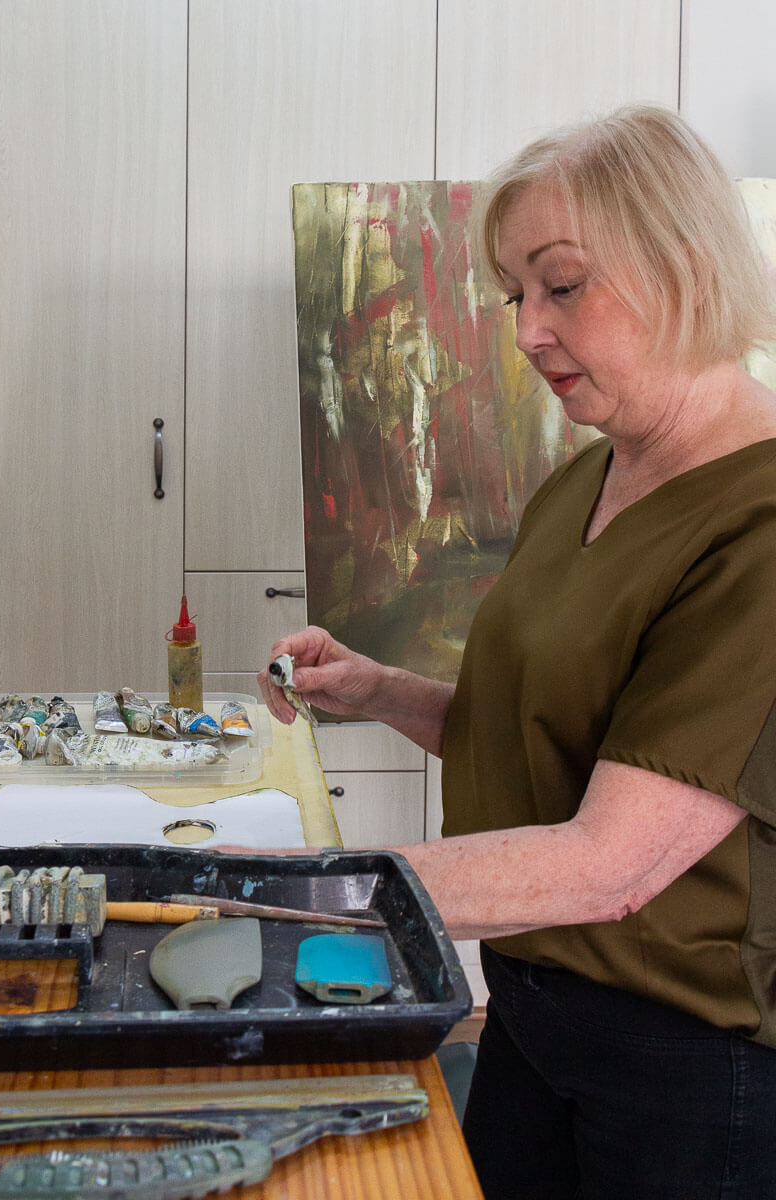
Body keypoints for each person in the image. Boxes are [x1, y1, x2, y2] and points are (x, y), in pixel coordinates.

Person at [256, 106, 776, 1199]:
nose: (528, 330)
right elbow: (543, 733)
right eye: (513, 294)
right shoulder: (591, 476)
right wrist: (382, 688)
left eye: (563, 284)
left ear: (683, 268)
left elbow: (611, 863)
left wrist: (282, 888)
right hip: (528, 1004)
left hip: (689, 1065)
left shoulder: (759, 527)